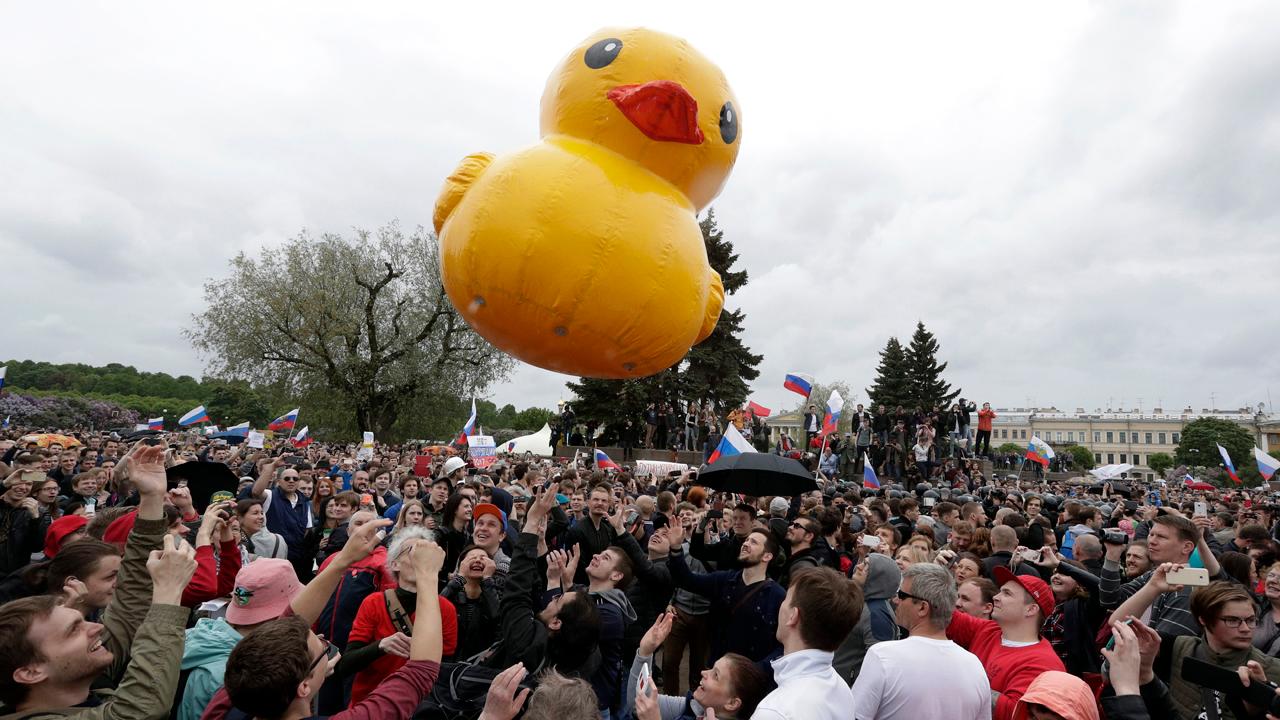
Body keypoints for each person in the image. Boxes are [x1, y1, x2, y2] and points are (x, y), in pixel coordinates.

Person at [0, 444, 195, 719]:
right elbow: (138, 710)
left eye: (80, 620)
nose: (95, 627)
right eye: (73, 630)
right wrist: (168, 596)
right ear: (31, 672)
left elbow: (132, 592)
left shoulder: (83, 675)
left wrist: (151, 497)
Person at [221, 538, 446, 720]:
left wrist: (343, 560)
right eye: (321, 648)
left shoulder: (237, 697)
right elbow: (420, 672)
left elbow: (282, 631)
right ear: (304, 687)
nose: (323, 641)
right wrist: (427, 575)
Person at [338, 526, 459, 705]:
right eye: (413, 551)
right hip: (371, 704)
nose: (421, 558)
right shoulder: (373, 603)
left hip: (419, 707)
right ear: (395, 564)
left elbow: (446, 667)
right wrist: (381, 646)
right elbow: (346, 664)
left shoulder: (446, 609)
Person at [853, 564, 991, 720]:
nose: (896, 600)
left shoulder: (883, 656)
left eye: (902, 595)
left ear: (922, 608)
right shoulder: (975, 666)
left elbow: (855, 716)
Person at [946, 567, 1066, 720]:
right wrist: (941, 574)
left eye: (1007, 593)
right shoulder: (989, 630)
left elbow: (1015, 713)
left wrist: (953, 678)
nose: (996, 597)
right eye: (1000, 591)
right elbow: (940, 615)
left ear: (1030, 609)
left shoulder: (1043, 664)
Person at [665, 522, 785, 664]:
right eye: (747, 540)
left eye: (754, 542)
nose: (746, 544)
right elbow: (687, 580)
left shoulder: (777, 596)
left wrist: (760, 670)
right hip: (718, 668)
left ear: (767, 556)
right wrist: (676, 548)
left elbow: (782, 645)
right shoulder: (725, 580)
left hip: (750, 676)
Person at [752, 567, 860, 720]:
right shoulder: (842, 690)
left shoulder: (775, 711)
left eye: (786, 599)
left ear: (793, 616)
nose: (780, 605)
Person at [627, 610, 768, 720]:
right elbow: (638, 703)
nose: (703, 672)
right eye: (711, 669)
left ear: (732, 703)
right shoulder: (694, 707)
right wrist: (645, 651)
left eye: (716, 675)